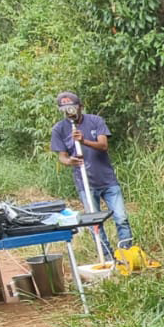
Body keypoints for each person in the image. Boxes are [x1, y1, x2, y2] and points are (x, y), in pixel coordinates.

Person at [50, 91, 133, 252]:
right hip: (85, 183)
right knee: (94, 223)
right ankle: (107, 255)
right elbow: (62, 157)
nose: (69, 112)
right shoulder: (59, 129)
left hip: (107, 180)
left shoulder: (96, 121)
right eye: (64, 109)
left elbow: (103, 145)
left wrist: (83, 141)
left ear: (80, 107)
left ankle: (126, 251)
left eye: (72, 108)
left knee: (121, 217)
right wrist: (70, 161)